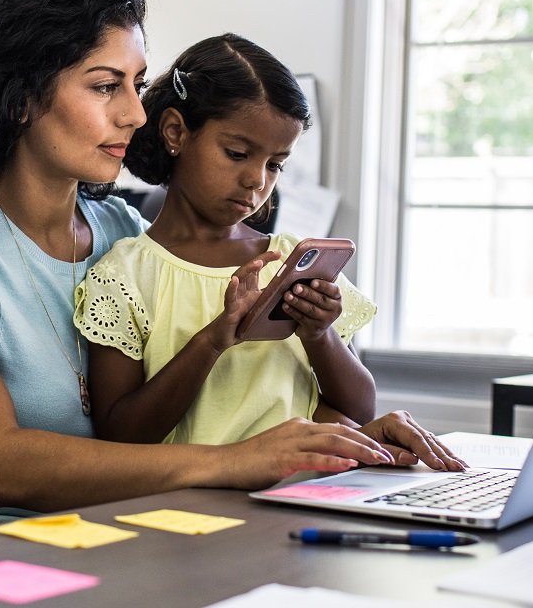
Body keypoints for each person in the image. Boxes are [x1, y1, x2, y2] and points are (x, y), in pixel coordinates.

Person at [0, 0, 462, 518]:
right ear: (22, 98)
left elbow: (229, 394)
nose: (135, 114)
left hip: (112, 535)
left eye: (137, 85)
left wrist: (343, 439)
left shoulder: (127, 235)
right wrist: (236, 463)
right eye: (106, 86)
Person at [74, 34, 391, 449]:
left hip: (294, 495)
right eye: (238, 153)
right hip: (186, 509)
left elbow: (361, 407)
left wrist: (320, 334)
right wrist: (212, 341)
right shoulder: (125, 275)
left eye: (275, 164)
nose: (257, 180)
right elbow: (121, 434)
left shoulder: (287, 261)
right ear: (175, 132)